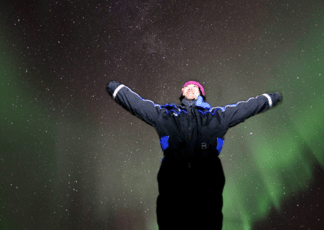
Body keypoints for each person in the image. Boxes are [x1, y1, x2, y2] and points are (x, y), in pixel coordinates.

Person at [106, 80, 281, 230]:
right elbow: (138, 104)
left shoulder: (217, 116)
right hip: (174, 171)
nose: (190, 88)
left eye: (195, 87)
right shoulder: (165, 115)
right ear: (182, 93)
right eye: (187, 87)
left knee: (208, 218)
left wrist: (269, 99)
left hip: (207, 172)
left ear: (201, 93)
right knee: (170, 216)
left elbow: (245, 108)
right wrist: (117, 89)